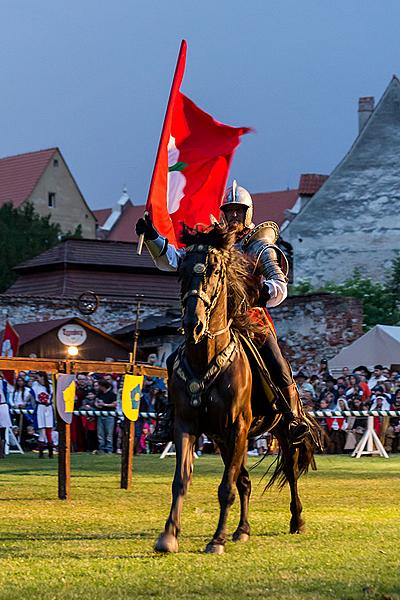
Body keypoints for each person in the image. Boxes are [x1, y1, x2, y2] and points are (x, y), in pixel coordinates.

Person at [136, 181, 309, 446]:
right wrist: (152, 236)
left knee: (277, 363)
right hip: (214, 321)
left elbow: (280, 285)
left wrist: (259, 292)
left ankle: (292, 417)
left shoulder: (258, 247)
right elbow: (176, 260)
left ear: (248, 213)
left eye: (239, 211)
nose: (234, 216)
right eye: (229, 211)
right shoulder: (213, 245)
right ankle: (171, 418)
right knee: (174, 361)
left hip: (251, 320)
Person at [31, 372, 55, 458]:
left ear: (42, 377)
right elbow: (32, 395)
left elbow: (52, 397)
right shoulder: (35, 385)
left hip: (48, 408)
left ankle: (50, 452)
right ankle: (41, 452)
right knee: (42, 431)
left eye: (38, 377)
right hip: (40, 408)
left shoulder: (51, 385)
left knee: (49, 430)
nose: (37, 379)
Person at [95, 377, 117, 454]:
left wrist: (105, 404)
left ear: (103, 386)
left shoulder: (112, 394)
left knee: (109, 434)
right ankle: (102, 448)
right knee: (100, 433)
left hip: (109, 416)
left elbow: (114, 404)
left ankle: (109, 449)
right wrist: (97, 405)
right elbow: (96, 402)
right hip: (100, 415)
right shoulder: (99, 394)